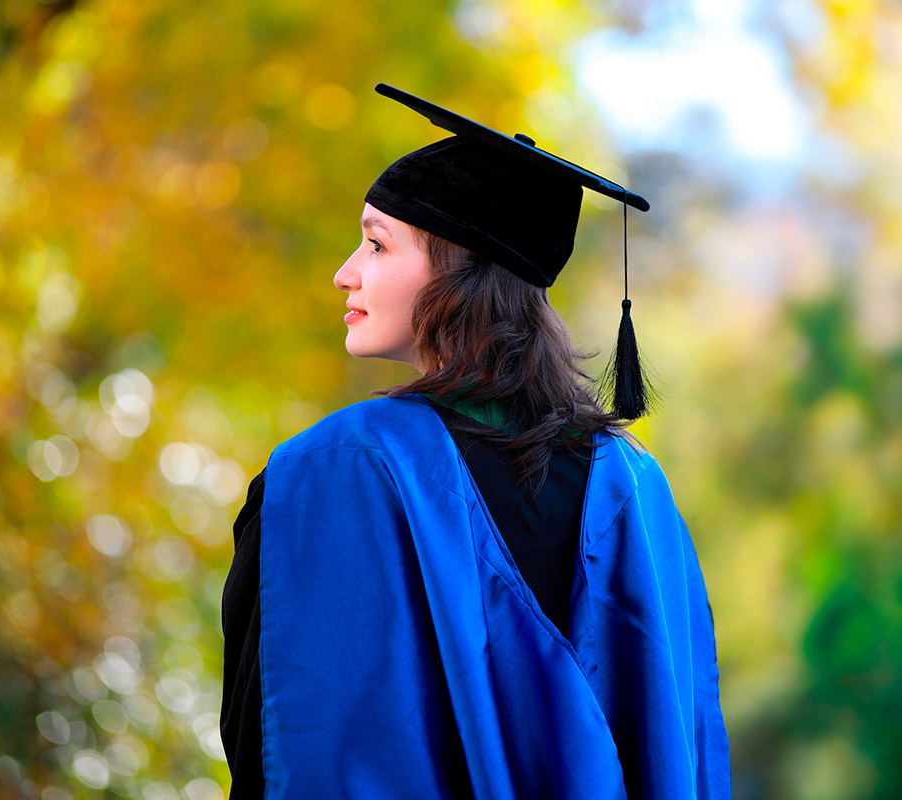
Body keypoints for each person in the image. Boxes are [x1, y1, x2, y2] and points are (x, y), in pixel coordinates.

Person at [220, 84, 730, 799]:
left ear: (456, 270)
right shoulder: (641, 494)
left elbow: (274, 742)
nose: (346, 271)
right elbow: (686, 747)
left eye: (375, 242)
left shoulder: (332, 474)